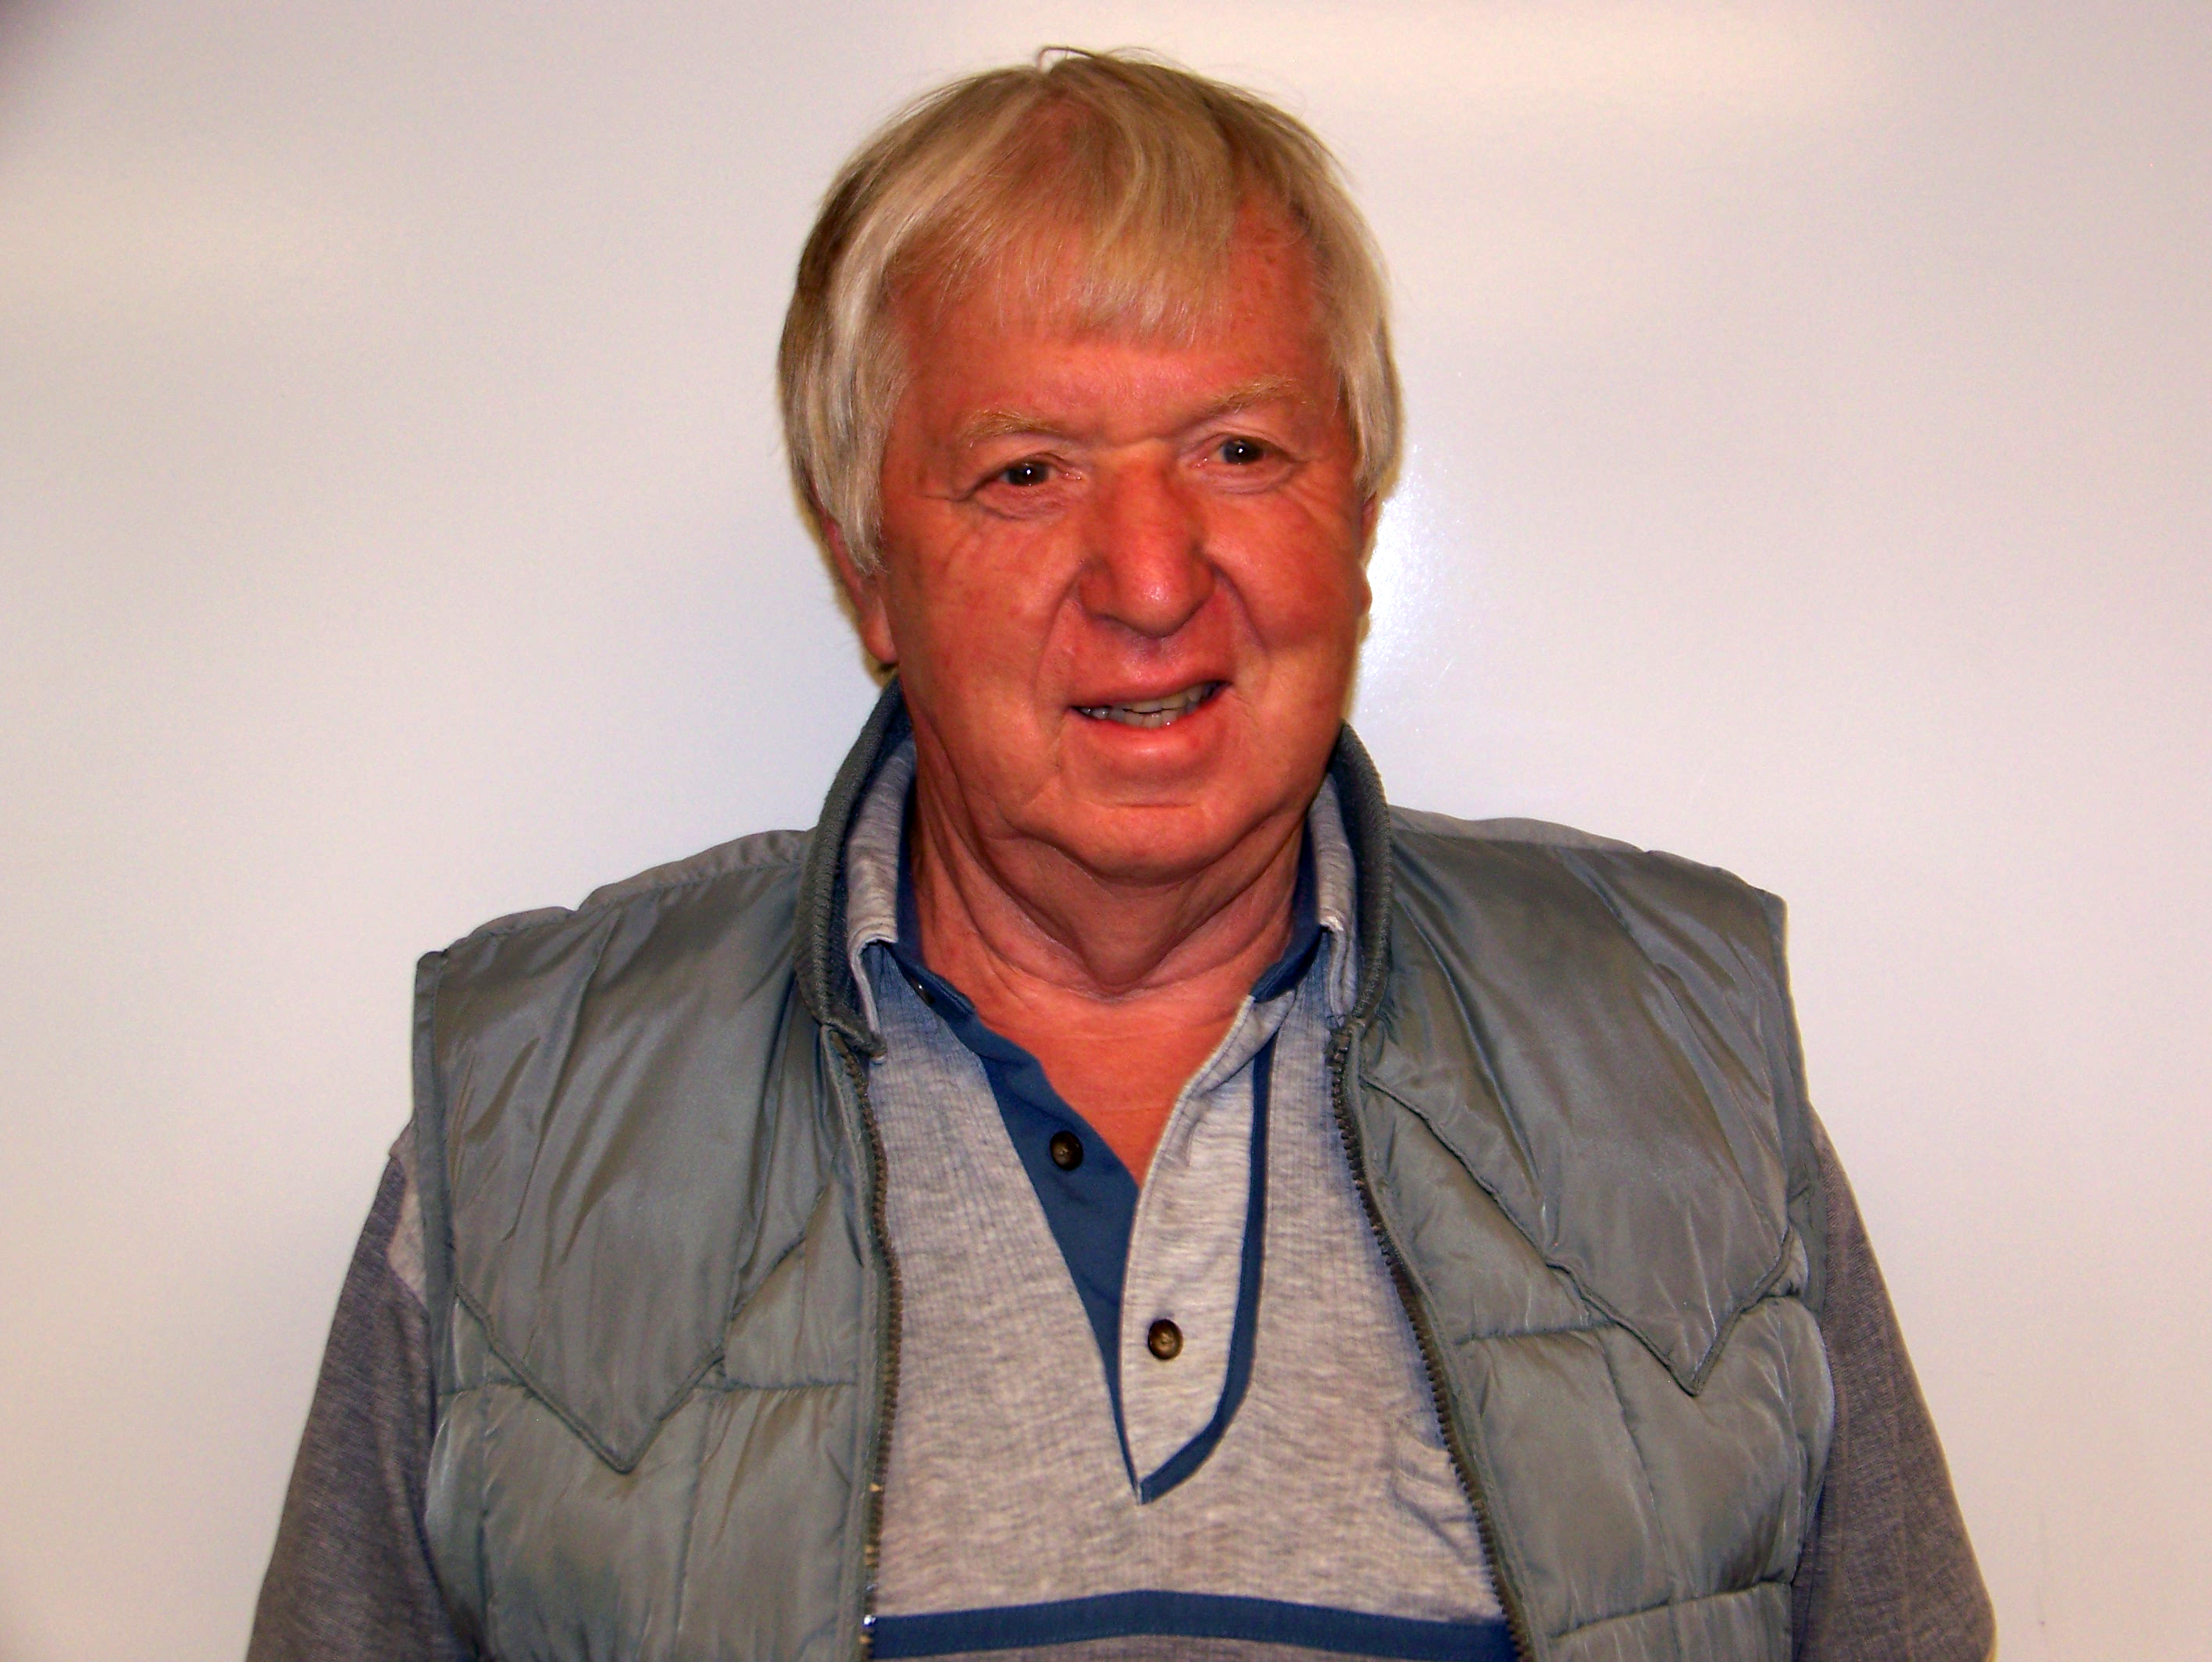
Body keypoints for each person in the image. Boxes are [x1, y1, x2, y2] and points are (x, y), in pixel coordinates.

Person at [249, 49, 1994, 1662]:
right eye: (1027, 471)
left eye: (1240, 451)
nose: (1152, 579)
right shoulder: (530, 1126)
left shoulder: (1683, 1071)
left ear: (1359, 519)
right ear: (866, 570)